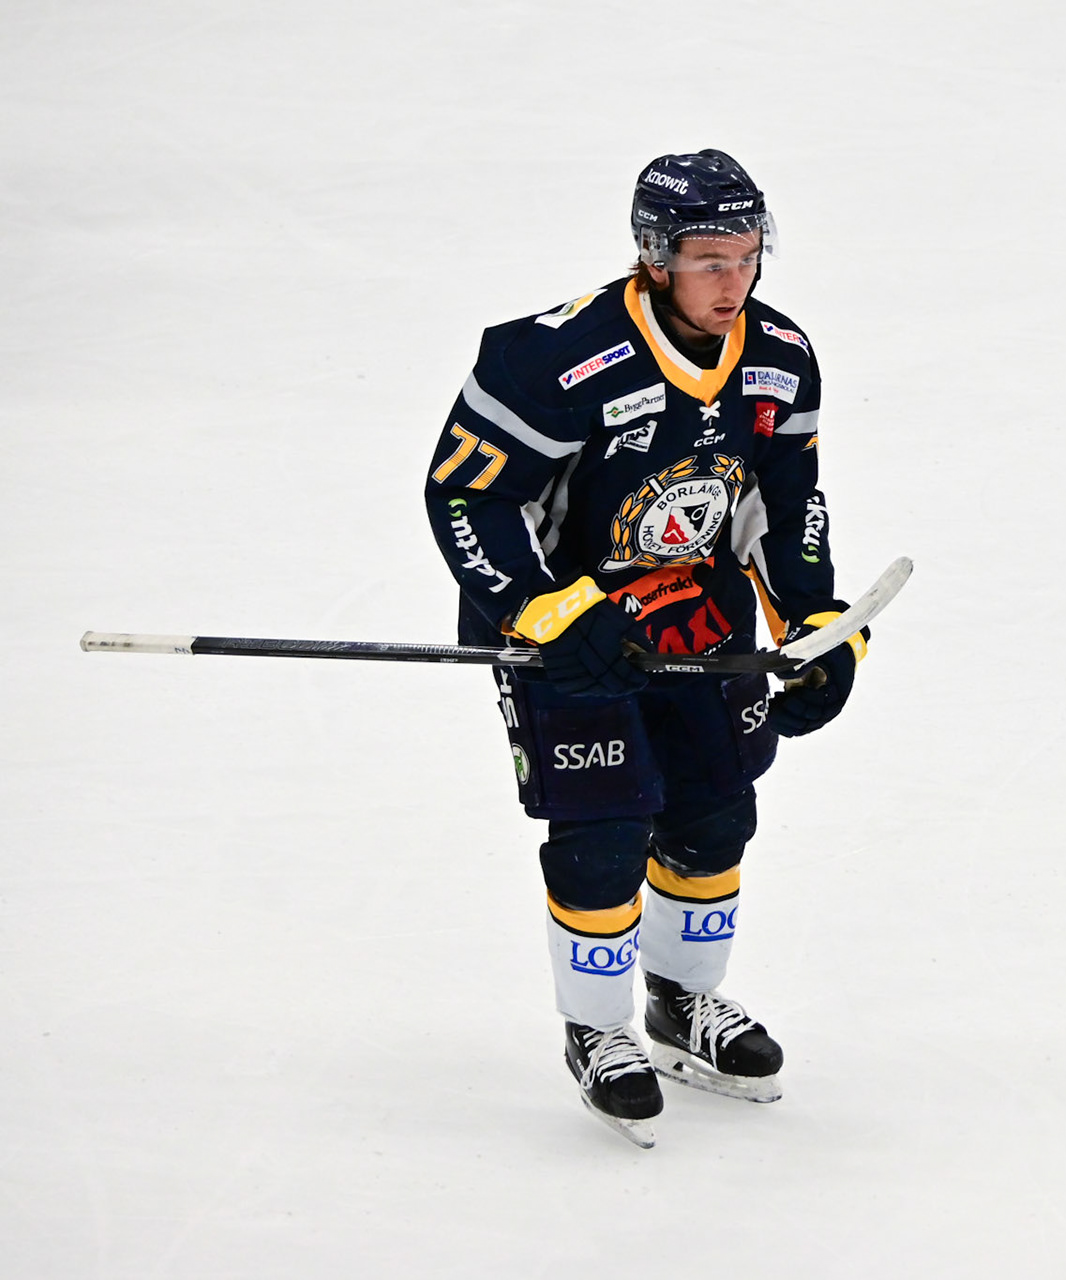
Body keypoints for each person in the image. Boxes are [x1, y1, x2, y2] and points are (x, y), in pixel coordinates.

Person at [424, 149, 865, 1147]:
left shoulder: (779, 355)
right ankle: (597, 1028)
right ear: (655, 257)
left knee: (715, 816)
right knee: (604, 836)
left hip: (698, 622)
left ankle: (680, 1000)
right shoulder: (552, 359)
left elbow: (788, 501)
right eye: (710, 260)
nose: (733, 281)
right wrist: (543, 611)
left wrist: (815, 624)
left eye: (747, 256)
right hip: (570, 633)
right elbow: (464, 496)